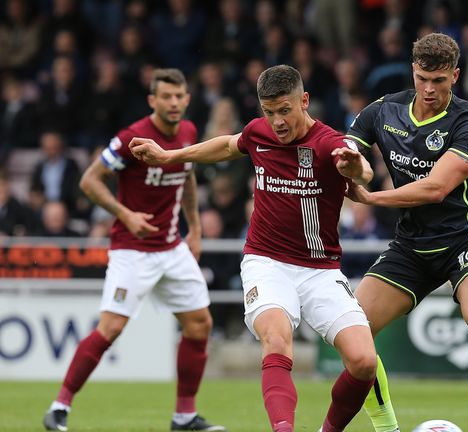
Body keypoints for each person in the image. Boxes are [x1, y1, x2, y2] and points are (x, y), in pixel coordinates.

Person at [129, 65, 378, 432]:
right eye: (269, 111)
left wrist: (357, 167)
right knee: (276, 339)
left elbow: (363, 171)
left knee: (364, 362)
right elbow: (229, 145)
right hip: (266, 262)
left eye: (284, 110)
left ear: (304, 101)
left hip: (321, 269)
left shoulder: (328, 143)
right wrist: (170, 156)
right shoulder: (258, 133)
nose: (276, 121)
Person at [344, 33, 468, 432]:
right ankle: (387, 428)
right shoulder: (383, 110)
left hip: (463, 239)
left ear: (455, 76)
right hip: (410, 246)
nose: (429, 90)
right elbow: (347, 150)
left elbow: (435, 188)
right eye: (422, 79)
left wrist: (370, 197)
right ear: (412, 72)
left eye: (439, 81)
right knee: (353, 330)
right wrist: (349, 164)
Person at [43, 69, 226, 432]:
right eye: (166, 97)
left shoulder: (188, 133)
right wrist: (125, 215)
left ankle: (184, 416)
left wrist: (196, 229)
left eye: (179, 96)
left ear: (187, 99)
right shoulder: (131, 137)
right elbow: (89, 180)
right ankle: (59, 407)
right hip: (133, 250)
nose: (174, 103)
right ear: (152, 101)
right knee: (110, 328)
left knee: (199, 324)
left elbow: (186, 176)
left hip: (172, 247)